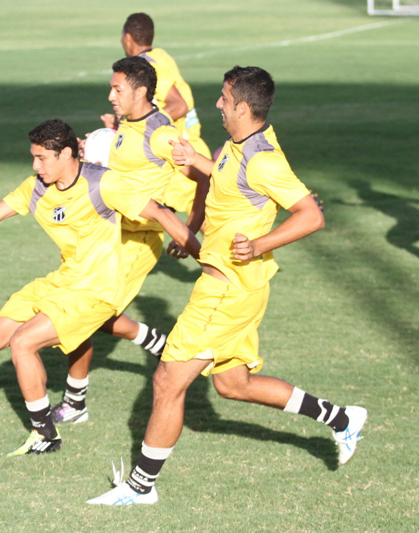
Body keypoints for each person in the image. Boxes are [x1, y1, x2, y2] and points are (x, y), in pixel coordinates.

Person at [87, 66, 367, 505]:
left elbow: (311, 215)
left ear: (242, 106)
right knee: (232, 385)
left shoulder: (264, 160)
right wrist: (193, 179)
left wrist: (259, 243)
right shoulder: (237, 147)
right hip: (239, 288)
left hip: (226, 291)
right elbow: (220, 177)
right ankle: (342, 419)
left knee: (166, 381)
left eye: (222, 98)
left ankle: (141, 488)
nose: (216, 103)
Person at [0, 119, 201, 455]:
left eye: (42, 158)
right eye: (33, 158)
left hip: (95, 292)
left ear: (66, 154)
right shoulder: (36, 188)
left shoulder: (103, 184)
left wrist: (206, 261)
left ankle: (45, 434)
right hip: (61, 282)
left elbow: (162, 216)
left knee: (22, 343)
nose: (35, 166)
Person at [51, 56, 208, 426]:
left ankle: (75, 403)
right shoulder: (128, 124)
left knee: (83, 310)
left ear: (140, 91)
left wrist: (194, 224)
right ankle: (152, 341)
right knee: (78, 305)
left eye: (117, 89)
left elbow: (204, 175)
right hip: (107, 234)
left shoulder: (160, 133)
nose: (110, 95)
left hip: (137, 242)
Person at [106, 12, 214, 216]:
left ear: (127, 37)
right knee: (197, 222)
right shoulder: (161, 56)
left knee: (191, 223)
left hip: (175, 152)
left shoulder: (147, 67)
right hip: (184, 146)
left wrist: (141, 127)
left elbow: (179, 105)